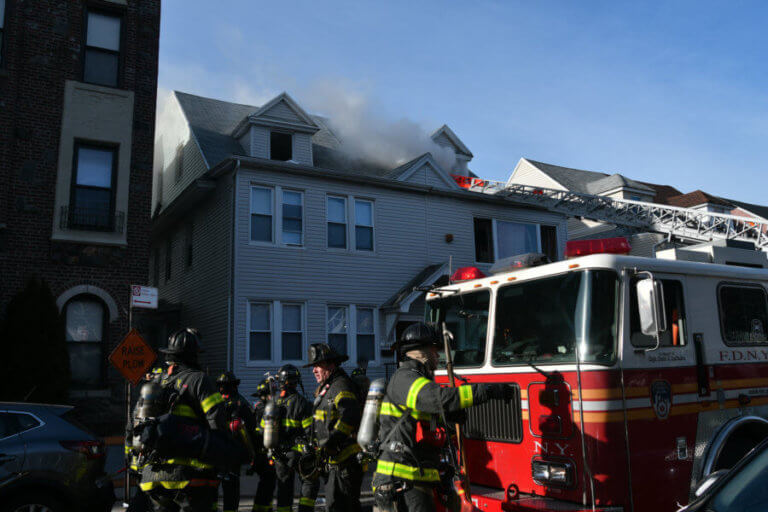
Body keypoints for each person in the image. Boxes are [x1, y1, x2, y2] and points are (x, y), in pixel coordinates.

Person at [372, 322, 513, 512]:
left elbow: (430, 422)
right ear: (421, 352)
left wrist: (449, 418)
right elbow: (437, 399)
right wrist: (485, 391)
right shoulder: (405, 378)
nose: (438, 356)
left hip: (417, 479)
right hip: (401, 479)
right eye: (434, 350)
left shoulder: (419, 380)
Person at [139, 328, 228, 512]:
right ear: (194, 355)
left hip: (154, 475)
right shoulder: (199, 380)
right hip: (190, 476)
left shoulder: (156, 383)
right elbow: (217, 423)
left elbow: (137, 424)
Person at [304, 343, 363, 512]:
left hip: (345, 463)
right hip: (335, 464)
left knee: (339, 506)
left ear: (331, 365)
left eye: (318, 365)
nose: (314, 370)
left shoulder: (341, 385)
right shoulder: (327, 388)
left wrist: (331, 441)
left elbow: (350, 416)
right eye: (313, 366)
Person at [270, 364, 313, 512]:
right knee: (309, 482)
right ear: (296, 381)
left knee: (284, 488)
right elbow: (309, 431)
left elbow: (263, 427)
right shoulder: (301, 402)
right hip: (298, 453)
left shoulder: (273, 401)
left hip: (278, 454)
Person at [217, 371, 257, 512]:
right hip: (217, 450)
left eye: (225, 386)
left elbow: (251, 427)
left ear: (233, 386)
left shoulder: (240, 403)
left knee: (231, 486)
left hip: (232, 451)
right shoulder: (216, 401)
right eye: (221, 385)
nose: (223, 389)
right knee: (213, 486)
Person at [251, 378, 277, 512]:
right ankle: (262, 509)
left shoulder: (258, 407)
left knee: (266, 484)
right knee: (267, 483)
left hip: (260, 452)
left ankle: (264, 508)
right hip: (264, 453)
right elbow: (262, 431)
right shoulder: (264, 409)